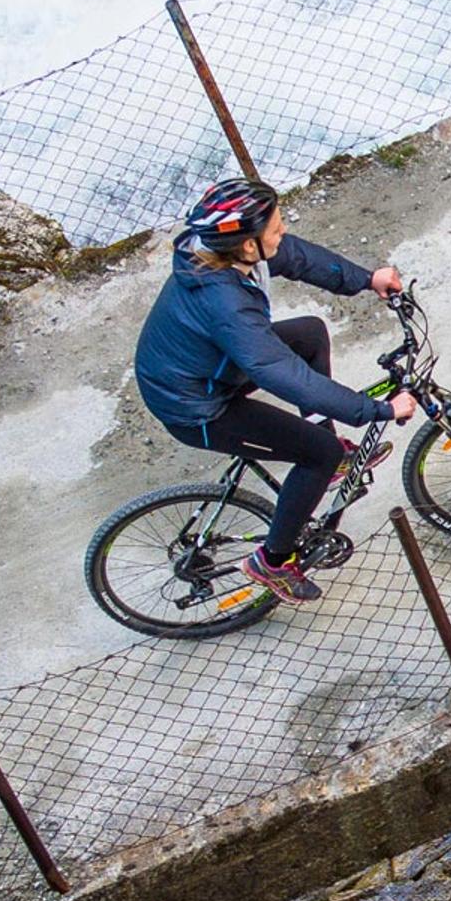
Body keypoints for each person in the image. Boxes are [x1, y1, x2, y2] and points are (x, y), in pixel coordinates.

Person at [132, 177, 416, 603]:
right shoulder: (223, 301)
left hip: (208, 368)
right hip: (197, 407)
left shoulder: (223, 252)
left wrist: (366, 278)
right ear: (248, 246)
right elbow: (280, 372)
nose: (282, 232)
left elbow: (297, 256)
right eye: (276, 228)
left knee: (310, 334)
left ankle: (329, 446)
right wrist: (375, 410)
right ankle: (273, 561)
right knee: (319, 453)